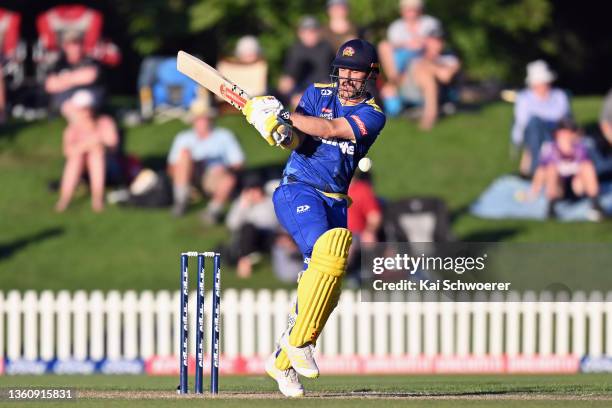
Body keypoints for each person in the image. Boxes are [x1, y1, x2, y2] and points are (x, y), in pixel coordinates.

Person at [244, 39, 386, 397]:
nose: (347, 76)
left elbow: (332, 129)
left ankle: (282, 358)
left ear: (370, 75)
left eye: (356, 71)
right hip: (298, 188)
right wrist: (277, 131)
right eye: (344, 68)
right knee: (325, 251)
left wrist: (284, 115)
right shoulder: (316, 92)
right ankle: (299, 343)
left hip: (336, 199)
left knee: (330, 282)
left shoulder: (373, 114)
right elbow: (298, 140)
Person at [166, 99, 244, 220]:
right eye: (198, 119)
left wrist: (224, 169)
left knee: (229, 179)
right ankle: (181, 200)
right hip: (190, 176)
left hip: (214, 176)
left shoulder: (224, 136)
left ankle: (213, 211)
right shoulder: (183, 138)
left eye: (204, 118)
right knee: (185, 155)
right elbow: (172, 167)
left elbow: (238, 162)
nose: (202, 122)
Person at [55, 90, 119, 212]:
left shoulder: (105, 122)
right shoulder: (72, 128)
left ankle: (97, 198)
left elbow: (112, 147)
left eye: (86, 108)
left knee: (96, 154)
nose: (85, 112)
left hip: (109, 166)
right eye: (81, 109)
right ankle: (65, 198)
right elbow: (67, 151)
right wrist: (88, 144)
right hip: (79, 167)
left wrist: (93, 142)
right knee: (77, 158)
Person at [529, 118, 603, 220]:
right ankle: (551, 208)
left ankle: (596, 204)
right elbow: (541, 170)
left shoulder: (581, 147)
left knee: (587, 166)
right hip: (560, 189)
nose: (569, 135)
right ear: (558, 134)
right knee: (551, 169)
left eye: (571, 131)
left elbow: (587, 168)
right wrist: (534, 190)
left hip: (577, 187)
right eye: (566, 132)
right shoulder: (549, 148)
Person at [378, 0, 441, 116]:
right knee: (384, 47)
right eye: (408, 9)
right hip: (401, 62)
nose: (411, 12)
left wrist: (419, 43)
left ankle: (396, 86)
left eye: (413, 9)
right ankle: (394, 82)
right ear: (402, 11)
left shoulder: (430, 23)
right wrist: (409, 44)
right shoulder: (396, 27)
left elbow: (435, 45)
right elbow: (393, 46)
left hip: (422, 60)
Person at [511, 60, 571, 176]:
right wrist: (517, 141)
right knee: (535, 124)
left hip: (556, 133)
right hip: (534, 135)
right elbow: (521, 123)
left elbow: (566, 119)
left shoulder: (559, 96)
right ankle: (537, 168)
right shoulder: (524, 98)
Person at [401, 27, 460, 130]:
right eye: (434, 40)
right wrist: (435, 67)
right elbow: (442, 74)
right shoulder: (416, 55)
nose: (438, 43)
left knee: (428, 77)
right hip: (413, 90)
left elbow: (446, 77)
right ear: (427, 41)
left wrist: (431, 67)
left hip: (436, 91)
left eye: (440, 40)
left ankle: (429, 117)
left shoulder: (450, 58)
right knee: (422, 68)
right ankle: (430, 116)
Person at [225, 174, 278, 278]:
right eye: (251, 189)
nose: (253, 192)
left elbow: (273, 222)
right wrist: (244, 206)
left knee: (252, 228)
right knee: (248, 228)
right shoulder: (241, 203)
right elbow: (232, 225)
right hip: (248, 238)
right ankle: (245, 261)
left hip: (267, 236)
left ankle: (248, 259)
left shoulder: (270, 201)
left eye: (256, 189)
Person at [277, 16, 336, 108]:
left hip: (322, 89)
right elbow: (289, 76)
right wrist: (292, 93)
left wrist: (310, 95)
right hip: (299, 90)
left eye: (313, 31)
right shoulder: (295, 49)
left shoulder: (326, 48)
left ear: (319, 32)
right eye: (306, 31)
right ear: (300, 33)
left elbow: (329, 77)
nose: (309, 34)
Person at [44, 30, 104, 113]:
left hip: (87, 98)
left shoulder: (89, 60)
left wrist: (62, 80)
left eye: (78, 44)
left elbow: (90, 76)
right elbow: (50, 86)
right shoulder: (59, 63)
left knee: (83, 97)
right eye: (71, 44)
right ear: (64, 46)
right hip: (65, 100)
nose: (75, 48)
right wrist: (75, 78)